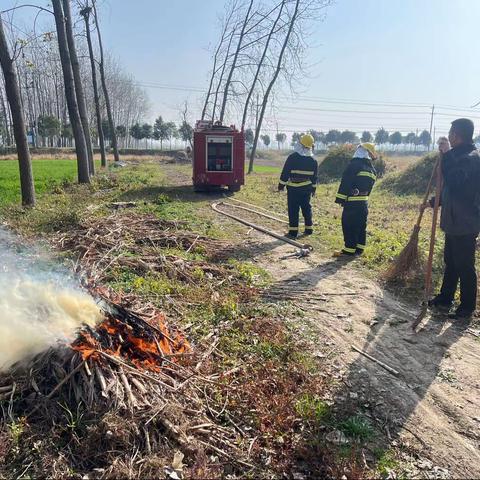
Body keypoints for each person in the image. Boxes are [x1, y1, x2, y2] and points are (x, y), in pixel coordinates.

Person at [428, 119, 480, 319]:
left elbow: (456, 181)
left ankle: (466, 307)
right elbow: (449, 189)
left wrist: (447, 155)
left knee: (464, 265)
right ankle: (445, 297)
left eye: (451, 133)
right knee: (450, 261)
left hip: (466, 222)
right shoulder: (457, 156)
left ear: (456, 136)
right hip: (453, 221)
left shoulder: (471, 158)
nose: (449, 136)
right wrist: (434, 202)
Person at [334, 143, 377, 256]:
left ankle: (349, 249)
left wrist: (341, 199)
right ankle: (360, 247)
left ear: (361, 151)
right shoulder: (372, 169)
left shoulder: (354, 164)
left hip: (352, 201)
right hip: (363, 202)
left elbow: (346, 181)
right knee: (361, 225)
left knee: (348, 224)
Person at [278, 133, 318, 238]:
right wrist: (313, 189)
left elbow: (285, 173)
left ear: (300, 145)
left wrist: (281, 185)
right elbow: (314, 177)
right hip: (306, 188)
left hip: (293, 189)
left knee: (293, 210)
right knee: (306, 208)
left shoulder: (292, 157)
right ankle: (309, 229)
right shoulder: (313, 161)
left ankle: (293, 232)